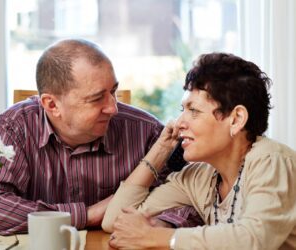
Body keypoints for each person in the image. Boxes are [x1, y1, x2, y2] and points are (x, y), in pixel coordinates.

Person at [0, 38, 200, 235]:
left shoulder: (146, 132)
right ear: (51, 104)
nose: (113, 108)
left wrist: (162, 225)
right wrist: (87, 215)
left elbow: (189, 200)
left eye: (113, 91)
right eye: (96, 99)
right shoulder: (17, 127)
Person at [102, 52, 296, 249]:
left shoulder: (272, 160)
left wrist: (157, 237)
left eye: (193, 111)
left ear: (236, 119)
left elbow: (253, 240)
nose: (179, 123)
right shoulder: (199, 176)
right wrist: (160, 150)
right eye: (182, 111)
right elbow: (115, 220)